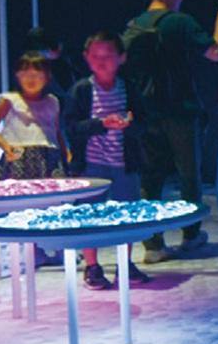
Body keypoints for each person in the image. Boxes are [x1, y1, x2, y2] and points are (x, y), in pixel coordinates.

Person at [123, 0, 218, 264]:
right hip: (181, 110)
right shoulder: (179, 22)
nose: (181, 0)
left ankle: (153, 245)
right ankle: (190, 235)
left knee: (151, 179)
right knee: (189, 175)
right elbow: (214, 53)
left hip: (146, 111)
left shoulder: (133, 25)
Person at [64, 31, 152, 289]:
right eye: (96, 56)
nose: (102, 62)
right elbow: (71, 127)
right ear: (86, 58)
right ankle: (92, 266)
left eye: (108, 56)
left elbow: (144, 122)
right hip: (91, 164)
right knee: (89, 215)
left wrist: (130, 125)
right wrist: (101, 124)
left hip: (124, 162)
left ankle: (125, 264)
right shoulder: (82, 90)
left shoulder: (129, 87)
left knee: (128, 214)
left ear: (121, 58)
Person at [0, 52, 64, 180]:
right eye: (25, 74)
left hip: (48, 156)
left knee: (50, 190)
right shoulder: (10, 100)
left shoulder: (52, 101)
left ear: (47, 77)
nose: (31, 79)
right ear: (18, 76)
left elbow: (56, 130)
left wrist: (65, 152)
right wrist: (5, 146)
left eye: (37, 75)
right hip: (18, 157)